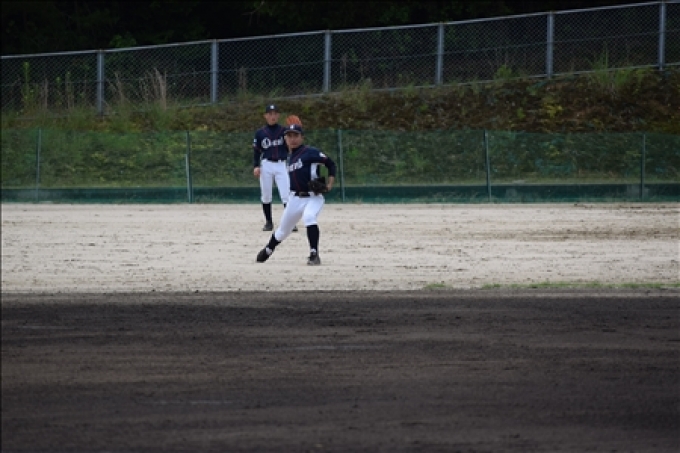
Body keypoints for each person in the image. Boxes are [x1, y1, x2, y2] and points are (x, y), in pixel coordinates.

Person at [256, 124, 336, 266]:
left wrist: (329, 184)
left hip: (313, 198)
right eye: (289, 136)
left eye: (296, 136)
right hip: (294, 199)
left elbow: (331, 164)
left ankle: (314, 254)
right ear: (285, 139)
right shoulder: (289, 157)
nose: (292, 139)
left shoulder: (311, 152)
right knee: (282, 231)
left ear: (302, 137)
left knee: (309, 217)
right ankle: (268, 249)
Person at [252, 103, 297, 232]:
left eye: (275, 114)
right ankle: (268, 222)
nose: (273, 116)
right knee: (266, 195)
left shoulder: (284, 131)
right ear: (265, 116)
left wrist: (291, 138)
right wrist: (256, 166)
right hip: (266, 165)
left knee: (286, 194)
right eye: (270, 114)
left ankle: (290, 223)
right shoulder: (260, 133)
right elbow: (256, 151)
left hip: (281, 164)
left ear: (278, 116)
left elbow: (292, 148)